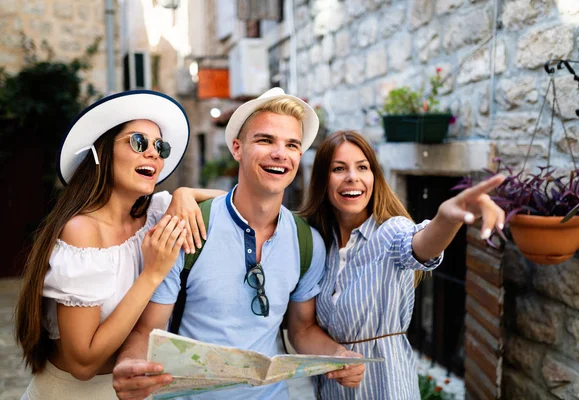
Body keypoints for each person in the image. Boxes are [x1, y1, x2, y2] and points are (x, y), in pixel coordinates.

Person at [111, 88, 366, 400]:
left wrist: (339, 356)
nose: (280, 153)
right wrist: (130, 365)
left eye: (292, 145)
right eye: (265, 140)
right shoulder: (189, 228)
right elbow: (147, 330)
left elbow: (301, 331)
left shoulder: (306, 242)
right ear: (236, 147)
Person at [15, 90, 224, 400]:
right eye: (138, 142)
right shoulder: (81, 232)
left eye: (160, 146)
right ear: (103, 152)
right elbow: (83, 363)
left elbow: (234, 204)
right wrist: (152, 274)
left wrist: (184, 193)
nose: (153, 153)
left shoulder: (154, 211)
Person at [298, 130, 506, 399]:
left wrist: (447, 218)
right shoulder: (319, 243)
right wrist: (338, 354)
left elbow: (421, 244)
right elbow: (302, 328)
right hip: (332, 391)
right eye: (339, 168)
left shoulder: (391, 231)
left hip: (387, 387)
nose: (353, 176)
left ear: (374, 176)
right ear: (322, 180)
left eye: (363, 167)